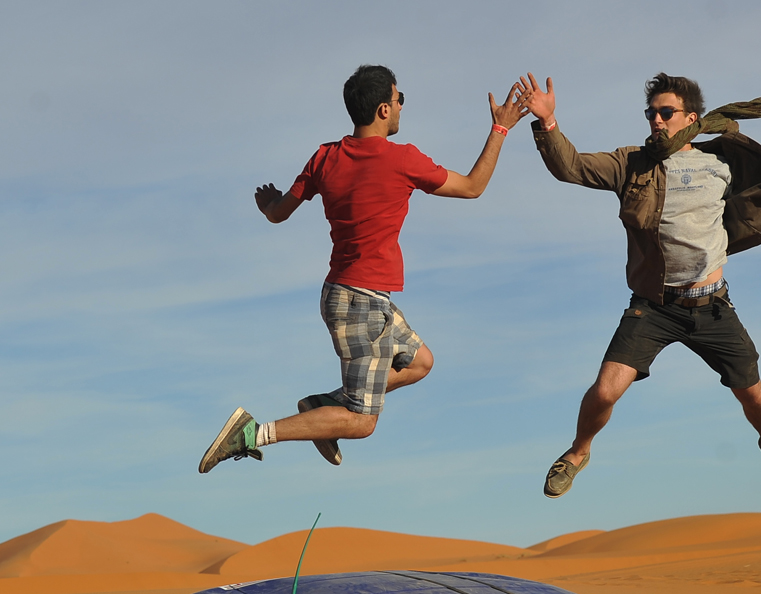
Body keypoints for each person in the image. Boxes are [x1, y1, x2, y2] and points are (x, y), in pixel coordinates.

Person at [516, 73, 761, 498]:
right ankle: (579, 451)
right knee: (604, 390)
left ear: (690, 118)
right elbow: (571, 167)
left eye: (666, 112)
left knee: (754, 395)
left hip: (712, 307)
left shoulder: (722, 165)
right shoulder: (632, 163)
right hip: (654, 307)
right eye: (651, 113)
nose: (656, 120)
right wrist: (547, 122)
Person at [199, 65, 528, 473]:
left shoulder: (324, 157)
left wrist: (267, 204)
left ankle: (321, 407)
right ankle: (252, 433)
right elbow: (473, 186)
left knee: (420, 361)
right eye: (400, 98)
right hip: (362, 305)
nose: (403, 105)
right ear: (384, 109)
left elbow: (279, 213)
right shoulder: (404, 159)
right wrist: (501, 129)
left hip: (353, 296)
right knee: (362, 420)